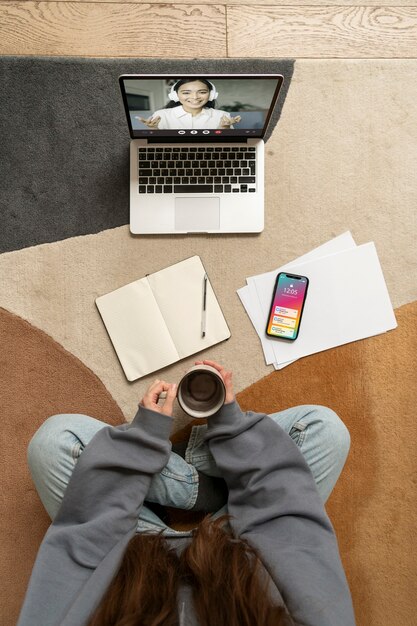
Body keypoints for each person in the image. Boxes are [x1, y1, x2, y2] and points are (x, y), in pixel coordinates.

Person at [18, 360, 356, 626]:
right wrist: (232, 428)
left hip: (130, 553)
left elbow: (82, 542)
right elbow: (290, 532)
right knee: (325, 431)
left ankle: (188, 483)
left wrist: (142, 441)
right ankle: (207, 488)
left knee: (54, 444)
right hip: (238, 546)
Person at [135, 78, 242, 130]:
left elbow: (225, 144)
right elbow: (156, 145)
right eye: (186, 93)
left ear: (211, 95)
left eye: (202, 92)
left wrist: (224, 127)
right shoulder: (161, 115)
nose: (195, 97)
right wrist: (153, 129)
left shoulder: (222, 116)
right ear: (175, 96)